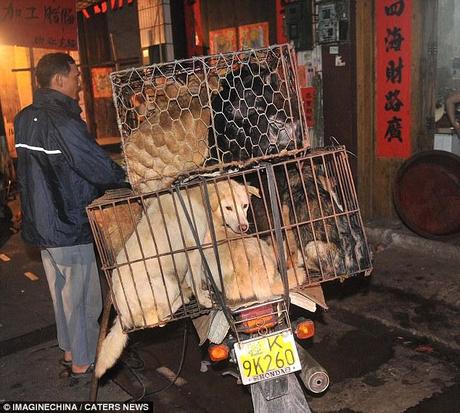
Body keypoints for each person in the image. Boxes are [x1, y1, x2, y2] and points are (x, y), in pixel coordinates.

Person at [14, 53, 126, 378]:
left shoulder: (24, 119)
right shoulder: (63, 121)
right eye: (76, 75)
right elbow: (93, 164)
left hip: (42, 226)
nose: (79, 81)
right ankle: (82, 361)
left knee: (61, 294)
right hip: (69, 222)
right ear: (60, 79)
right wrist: (127, 175)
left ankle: (67, 349)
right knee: (83, 298)